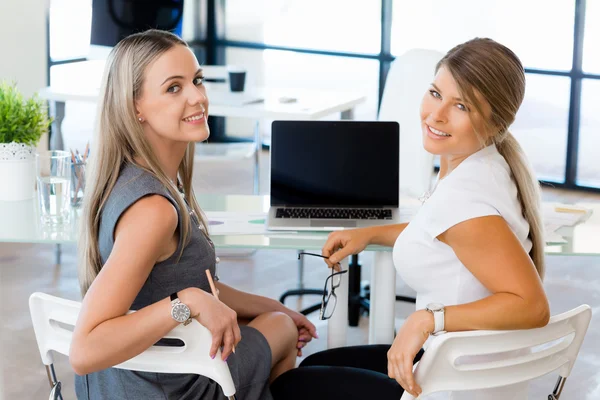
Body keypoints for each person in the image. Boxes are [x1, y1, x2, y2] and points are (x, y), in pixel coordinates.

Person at [271, 37, 550, 400]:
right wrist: (372, 233)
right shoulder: (483, 164)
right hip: (461, 365)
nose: (437, 115)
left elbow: (532, 305)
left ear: (495, 122)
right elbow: (448, 234)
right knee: (315, 367)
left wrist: (427, 319)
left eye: (461, 106)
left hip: (453, 383)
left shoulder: (464, 199)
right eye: (436, 93)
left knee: (292, 385)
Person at [70, 29, 317, 400]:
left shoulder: (133, 178)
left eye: (197, 81)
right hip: (162, 387)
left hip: (142, 375)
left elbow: (198, 284)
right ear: (134, 106)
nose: (198, 97)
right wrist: (186, 302)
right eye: (174, 87)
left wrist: (272, 305)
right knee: (279, 329)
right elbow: (84, 351)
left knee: (270, 318)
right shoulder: (153, 210)